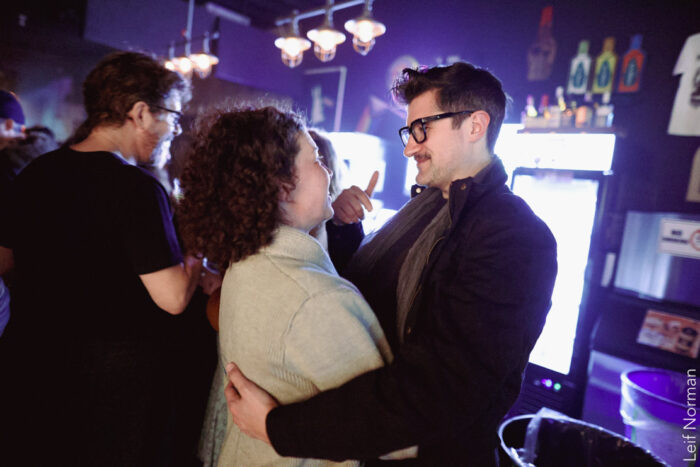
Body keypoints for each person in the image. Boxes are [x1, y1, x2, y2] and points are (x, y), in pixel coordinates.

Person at [223, 62, 558, 466]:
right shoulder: (429, 207)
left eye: (423, 129)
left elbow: (440, 391)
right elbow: (365, 297)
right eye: (409, 131)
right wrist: (344, 228)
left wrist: (278, 428)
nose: (409, 148)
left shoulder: (513, 236)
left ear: (475, 126)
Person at [0, 51, 203, 465]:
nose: (175, 129)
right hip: (108, 380)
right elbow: (173, 298)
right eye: (173, 116)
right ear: (140, 114)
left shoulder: (38, 171)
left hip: (31, 361)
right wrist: (197, 253)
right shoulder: (138, 189)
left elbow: (4, 262)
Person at [177, 106, 394, 466]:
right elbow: (387, 429)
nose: (328, 171)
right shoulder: (316, 299)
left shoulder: (246, 263)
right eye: (316, 160)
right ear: (282, 187)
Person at [0, 93, 58, 337]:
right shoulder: (51, 159)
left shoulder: (7, 166)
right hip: (45, 290)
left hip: (15, 287)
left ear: (9, 124)